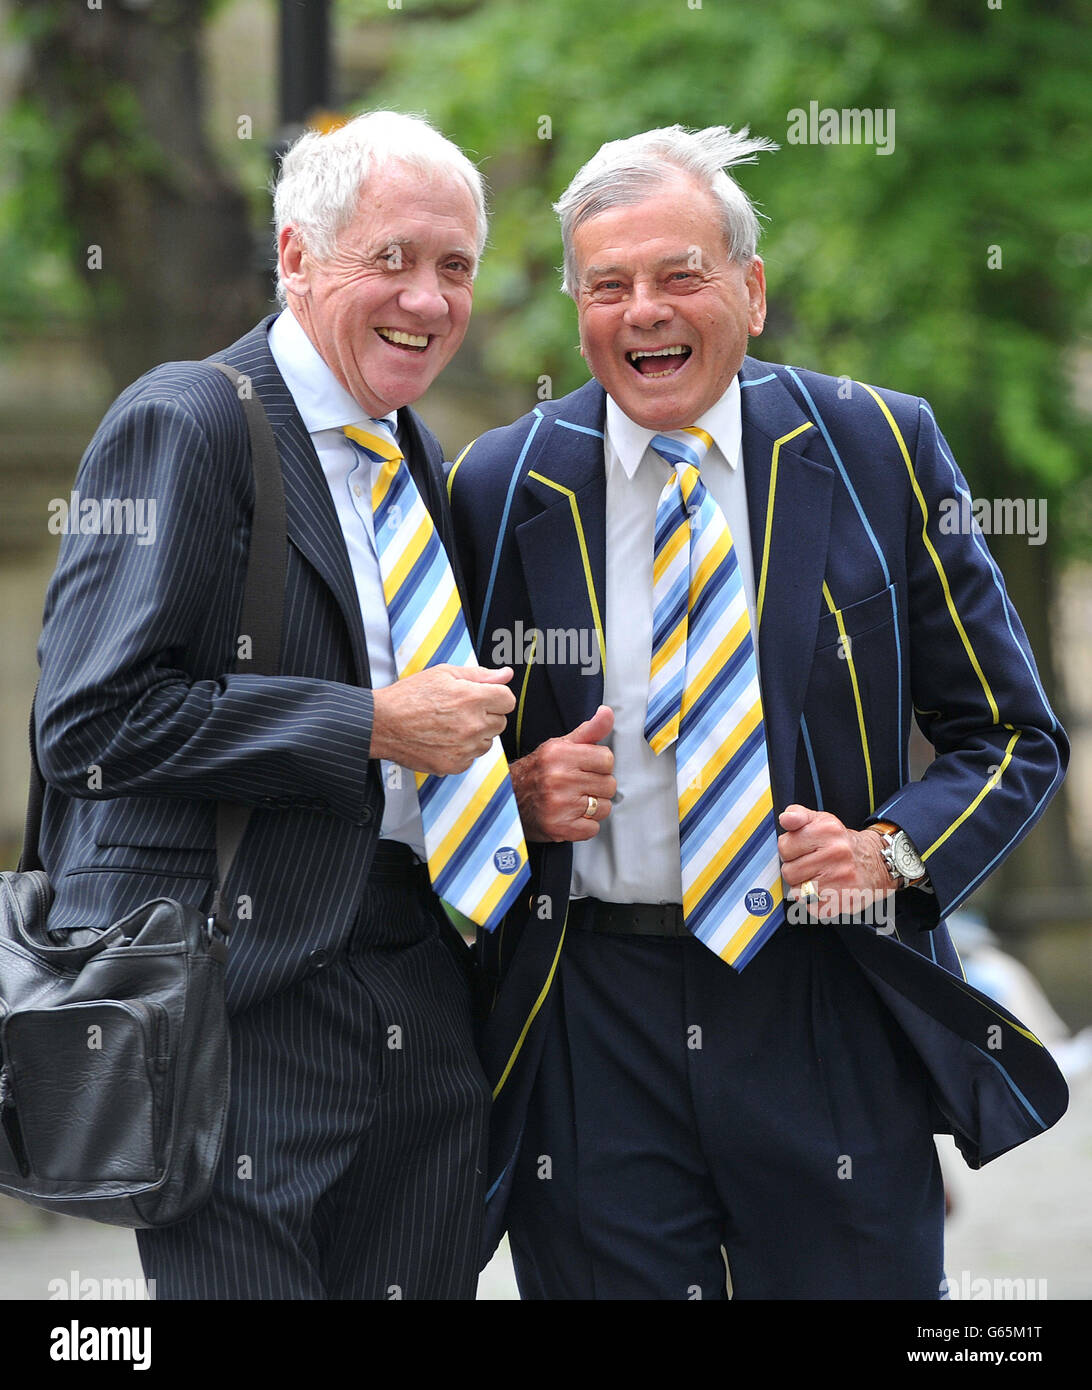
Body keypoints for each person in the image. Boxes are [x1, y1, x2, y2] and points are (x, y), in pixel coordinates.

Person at [448, 124, 1069, 1299]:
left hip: (823, 997)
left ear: (751, 289)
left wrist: (889, 851)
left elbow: (1010, 735)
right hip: (594, 1017)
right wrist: (513, 797)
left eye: (680, 274)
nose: (644, 312)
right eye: (608, 285)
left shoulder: (880, 444)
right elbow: (447, 751)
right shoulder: (505, 477)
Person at [34, 110, 527, 1299]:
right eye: (393, 259)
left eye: (455, 266)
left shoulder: (418, 455)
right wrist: (369, 725)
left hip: (420, 991)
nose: (429, 298)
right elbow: (89, 727)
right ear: (298, 259)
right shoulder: (189, 418)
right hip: (241, 1006)